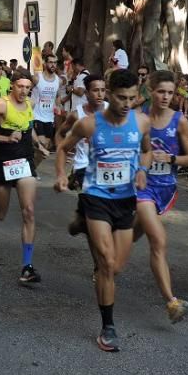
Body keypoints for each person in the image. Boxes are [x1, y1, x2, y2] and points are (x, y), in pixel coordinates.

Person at [54, 69, 150, 352]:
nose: (126, 104)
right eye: (121, 98)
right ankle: (108, 326)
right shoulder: (89, 124)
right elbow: (63, 147)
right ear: (108, 94)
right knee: (106, 264)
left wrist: (143, 169)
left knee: (116, 267)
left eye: (132, 98)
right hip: (95, 196)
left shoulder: (142, 122)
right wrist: (61, 175)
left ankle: (82, 223)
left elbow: (146, 150)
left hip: (125, 199)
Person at [0, 73, 47, 285]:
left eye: (27, 88)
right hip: (2, 163)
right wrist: (6, 138)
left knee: (29, 212)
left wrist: (38, 145)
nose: (24, 91)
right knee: (0, 213)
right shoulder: (0, 105)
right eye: (20, 87)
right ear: (12, 86)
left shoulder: (29, 104)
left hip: (24, 163)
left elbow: (28, 128)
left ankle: (27, 267)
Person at [132, 70, 188, 323]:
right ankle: (172, 302)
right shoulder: (139, 117)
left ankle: (108, 261)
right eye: (161, 92)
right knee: (158, 240)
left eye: (170, 92)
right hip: (142, 186)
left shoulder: (179, 120)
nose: (166, 97)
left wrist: (170, 158)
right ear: (151, 91)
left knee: (133, 231)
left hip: (166, 188)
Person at [56, 73, 107, 191]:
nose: (100, 94)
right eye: (95, 90)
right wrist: (62, 151)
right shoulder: (76, 115)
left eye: (103, 90)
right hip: (83, 166)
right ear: (87, 93)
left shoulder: (112, 112)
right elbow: (60, 133)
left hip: (107, 167)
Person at [31, 53, 61, 160]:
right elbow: (27, 92)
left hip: (49, 118)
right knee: (42, 143)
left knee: (45, 147)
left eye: (55, 62)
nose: (53, 65)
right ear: (44, 63)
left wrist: (58, 106)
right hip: (37, 116)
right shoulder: (37, 78)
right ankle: (29, 165)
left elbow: (57, 96)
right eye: (50, 62)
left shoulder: (58, 80)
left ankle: (32, 169)